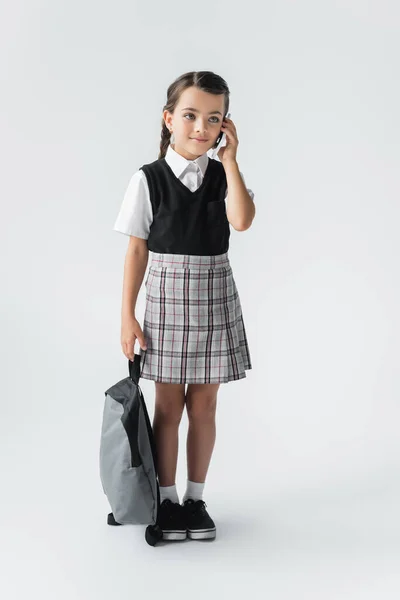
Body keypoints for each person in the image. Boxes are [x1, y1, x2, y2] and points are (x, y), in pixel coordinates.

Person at [113, 71, 256, 541]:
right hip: (168, 301)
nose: (201, 127)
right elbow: (137, 251)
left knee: (206, 405)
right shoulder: (148, 178)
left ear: (224, 127)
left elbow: (241, 221)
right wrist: (127, 315)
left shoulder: (222, 176)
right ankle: (167, 500)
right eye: (191, 115)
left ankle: (196, 500)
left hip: (215, 299)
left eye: (213, 119)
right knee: (168, 406)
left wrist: (231, 162)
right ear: (169, 118)